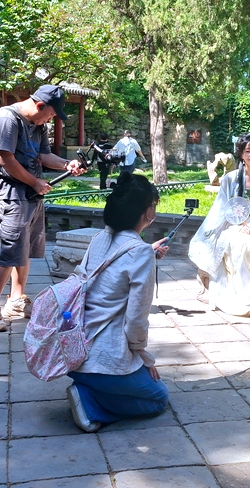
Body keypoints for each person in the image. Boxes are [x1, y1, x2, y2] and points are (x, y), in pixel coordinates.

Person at [66, 172, 170, 432]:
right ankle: (89, 403)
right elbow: (136, 318)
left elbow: (106, 273)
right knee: (158, 398)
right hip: (106, 360)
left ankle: (86, 386)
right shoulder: (140, 252)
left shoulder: (99, 238)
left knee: (142, 386)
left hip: (73, 353)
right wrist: (144, 357)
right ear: (148, 212)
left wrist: (148, 253)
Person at [0, 84, 85, 332]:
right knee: (9, 249)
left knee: (24, 248)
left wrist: (67, 164)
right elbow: (5, 159)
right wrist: (34, 182)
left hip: (31, 194)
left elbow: (43, 156)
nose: (51, 119)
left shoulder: (38, 125)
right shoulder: (7, 119)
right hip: (10, 194)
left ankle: (16, 300)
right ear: (39, 105)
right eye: (51, 114)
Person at [188, 132, 250, 318]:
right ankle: (244, 296)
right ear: (241, 154)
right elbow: (221, 209)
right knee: (246, 244)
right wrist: (240, 225)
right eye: (247, 151)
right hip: (232, 226)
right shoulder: (230, 179)